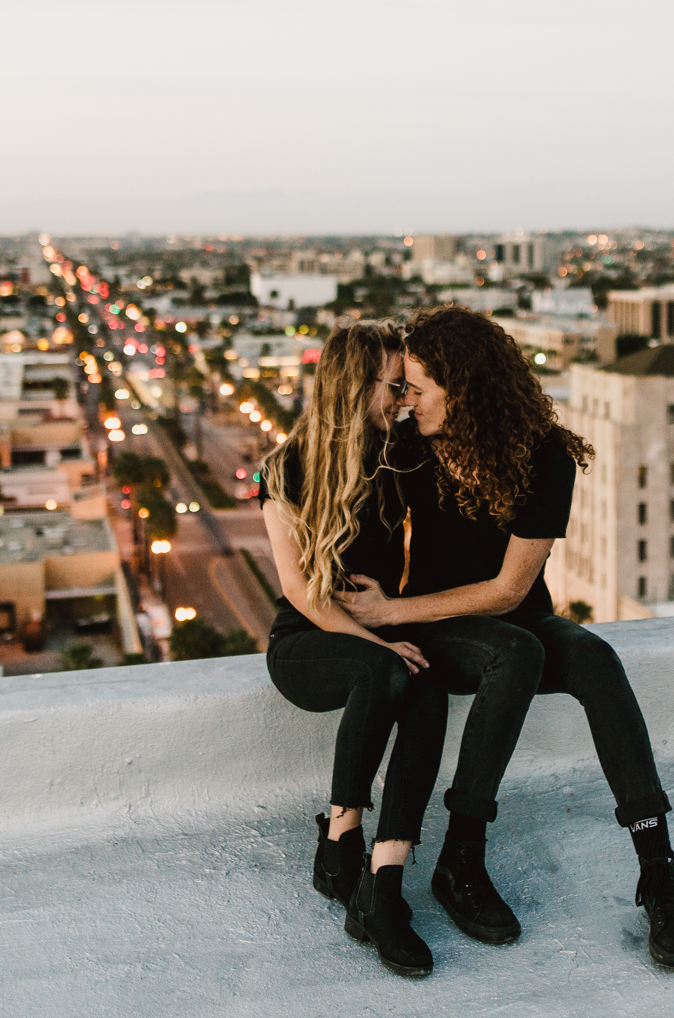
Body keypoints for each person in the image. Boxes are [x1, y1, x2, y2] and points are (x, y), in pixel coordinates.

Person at [338, 305, 674, 970]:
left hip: (503, 617)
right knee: (517, 650)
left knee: (594, 657)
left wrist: (392, 611)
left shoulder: (543, 455)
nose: (407, 399)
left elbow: (510, 590)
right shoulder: (406, 447)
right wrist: (382, 612)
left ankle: (659, 870)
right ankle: (463, 856)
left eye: (419, 386)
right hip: (437, 627)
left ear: (467, 386)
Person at [260, 320, 445, 978]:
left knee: (425, 680)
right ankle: (341, 833)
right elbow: (300, 592)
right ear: (355, 382)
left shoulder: (399, 455)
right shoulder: (286, 466)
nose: (400, 396)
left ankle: (383, 882)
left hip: (379, 632)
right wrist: (378, 637)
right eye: (393, 384)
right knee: (387, 667)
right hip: (305, 644)